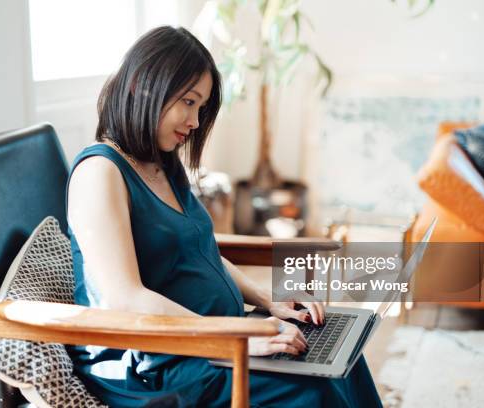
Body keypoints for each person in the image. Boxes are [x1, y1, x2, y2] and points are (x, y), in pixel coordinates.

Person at [66, 25, 382, 407]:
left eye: (201, 107)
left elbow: (202, 251)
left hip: (214, 338)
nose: (196, 122)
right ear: (140, 86)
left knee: (341, 357)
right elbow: (124, 298)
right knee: (313, 388)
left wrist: (270, 301)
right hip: (157, 361)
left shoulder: (161, 164)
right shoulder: (100, 173)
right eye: (188, 102)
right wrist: (235, 335)